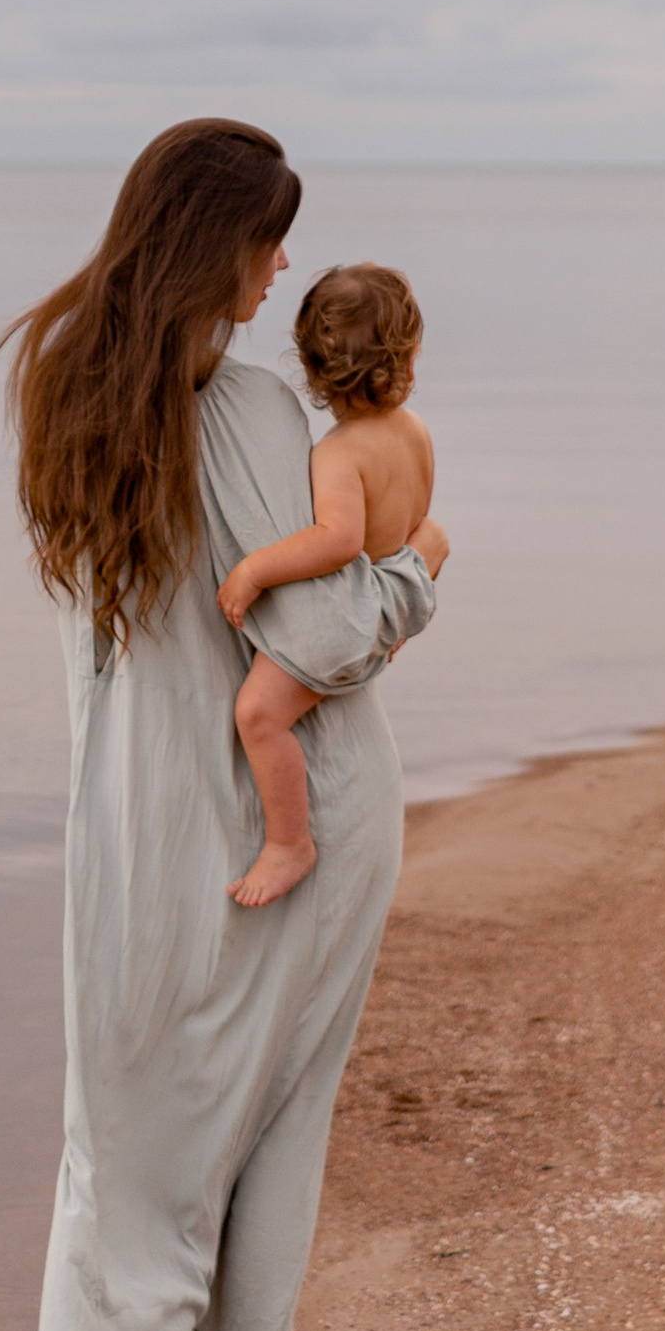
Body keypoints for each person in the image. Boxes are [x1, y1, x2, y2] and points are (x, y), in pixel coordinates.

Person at [0, 121, 446, 1331]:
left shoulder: (64, 390)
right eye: (269, 237)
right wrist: (419, 575)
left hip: (131, 824)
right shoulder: (249, 407)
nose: (284, 264)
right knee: (277, 1114)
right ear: (221, 246)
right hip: (292, 811)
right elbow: (321, 631)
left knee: (132, 1123)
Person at [217, 263, 441, 912]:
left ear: (311, 369)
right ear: (411, 353)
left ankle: (289, 842)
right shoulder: (416, 431)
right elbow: (419, 522)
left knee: (259, 717)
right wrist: (394, 623)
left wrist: (254, 570)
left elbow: (338, 540)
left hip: (345, 622)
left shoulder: (339, 452)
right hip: (393, 604)